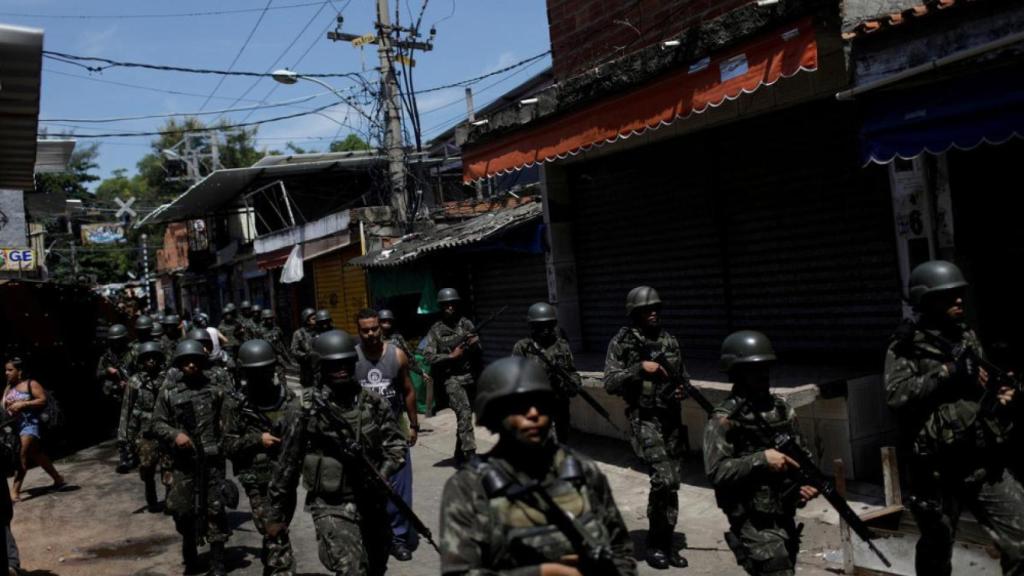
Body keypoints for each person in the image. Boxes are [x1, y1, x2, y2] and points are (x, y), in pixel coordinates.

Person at [885, 260, 1024, 576]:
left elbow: (982, 384)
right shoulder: (907, 345)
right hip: (935, 472)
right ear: (926, 300)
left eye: (959, 294)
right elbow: (896, 396)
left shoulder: (966, 337)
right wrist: (946, 373)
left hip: (982, 463)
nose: (958, 301)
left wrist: (1002, 397)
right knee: (936, 550)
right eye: (948, 296)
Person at [440, 356, 637, 576]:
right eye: (519, 405)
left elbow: (621, 551)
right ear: (494, 414)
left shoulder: (581, 470)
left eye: (540, 404)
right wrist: (544, 572)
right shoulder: (469, 488)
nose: (533, 413)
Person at [266, 329, 406, 576]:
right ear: (322, 368)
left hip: (371, 500)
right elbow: (287, 466)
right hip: (331, 505)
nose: (341, 369)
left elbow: (396, 445)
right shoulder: (304, 411)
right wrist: (276, 515)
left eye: (345, 363)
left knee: (377, 566)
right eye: (333, 365)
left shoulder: (373, 402)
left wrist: (382, 474)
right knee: (352, 570)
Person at [704, 331, 820, 576]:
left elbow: (802, 457)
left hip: (783, 509)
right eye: (753, 370)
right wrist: (761, 459)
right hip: (750, 517)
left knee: (786, 563)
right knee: (778, 569)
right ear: (736, 373)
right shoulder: (724, 418)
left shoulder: (781, 410)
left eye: (765, 368)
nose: (762, 376)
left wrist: (804, 485)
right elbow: (716, 472)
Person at [603, 286, 689, 569]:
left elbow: (683, 379)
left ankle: (666, 542)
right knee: (663, 478)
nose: (653, 313)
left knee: (673, 483)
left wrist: (681, 391)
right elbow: (610, 382)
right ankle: (654, 542)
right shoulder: (622, 342)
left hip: (672, 420)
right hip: (645, 418)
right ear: (635, 313)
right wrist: (639, 369)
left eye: (656, 308)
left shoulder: (670, 340)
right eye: (646, 310)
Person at [152, 340, 231, 576]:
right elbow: (156, 423)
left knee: (215, 509)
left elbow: (229, 424)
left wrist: (222, 445)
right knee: (182, 511)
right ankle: (190, 555)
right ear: (179, 364)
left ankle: (218, 562)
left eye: (195, 361)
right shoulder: (169, 392)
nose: (191, 365)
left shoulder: (216, 390)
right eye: (186, 362)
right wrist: (175, 435)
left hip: (212, 461)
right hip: (183, 462)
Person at [223, 340, 297, 575]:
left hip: (287, 475)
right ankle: (281, 570)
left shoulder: (287, 397)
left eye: (266, 370)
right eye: (255, 372)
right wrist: (258, 439)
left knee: (279, 526)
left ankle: (272, 560)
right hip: (257, 479)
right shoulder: (235, 404)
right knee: (275, 529)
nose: (262, 376)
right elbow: (227, 444)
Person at [354, 309, 419, 561]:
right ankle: (373, 535)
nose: (370, 333)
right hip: (364, 439)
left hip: (394, 437)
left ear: (381, 328)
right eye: (365, 329)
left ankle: (399, 538)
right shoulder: (353, 359)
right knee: (368, 491)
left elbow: (408, 391)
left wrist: (413, 425)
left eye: (374, 328)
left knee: (400, 490)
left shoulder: (397, 355)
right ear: (358, 331)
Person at [423, 288, 481, 465]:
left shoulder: (467, 325)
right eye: (445, 305)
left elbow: (479, 351)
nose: (449, 307)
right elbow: (428, 356)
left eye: (452, 304)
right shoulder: (436, 330)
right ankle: (470, 455)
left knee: (465, 417)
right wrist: (450, 356)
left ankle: (459, 452)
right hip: (452, 379)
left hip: (470, 376)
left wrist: (474, 345)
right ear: (441, 307)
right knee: (463, 414)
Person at [512, 302, 581, 442]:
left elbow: (572, 371)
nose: (546, 329)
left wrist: (573, 383)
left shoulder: (562, 346)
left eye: (549, 324)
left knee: (561, 442)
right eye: (540, 325)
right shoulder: (523, 347)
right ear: (532, 326)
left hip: (559, 404)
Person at [2, 358, 64, 502]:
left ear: (20, 371)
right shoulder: (8, 388)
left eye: (10, 370)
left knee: (21, 455)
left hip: (30, 425)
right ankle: (58, 479)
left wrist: (23, 404)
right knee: (36, 453)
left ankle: (14, 492)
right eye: (5, 370)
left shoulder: (31, 384)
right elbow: (3, 408)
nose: (6, 373)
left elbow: (43, 400)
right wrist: (9, 404)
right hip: (14, 428)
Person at [120, 341, 167, 513]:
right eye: (147, 358)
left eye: (154, 358)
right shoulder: (135, 382)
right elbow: (126, 409)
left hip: (166, 430)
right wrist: (123, 438)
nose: (151, 362)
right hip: (145, 432)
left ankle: (171, 499)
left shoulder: (167, 379)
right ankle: (151, 496)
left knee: (168, 467)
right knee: (147, 467)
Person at [379, 309, 433, 407]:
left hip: (398, 376)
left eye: (389, 320)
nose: (387, 323)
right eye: (384, 320)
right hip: (381, 378)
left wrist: (421, 372)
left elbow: (408, 357)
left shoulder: (397, 337)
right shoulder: (375, 339)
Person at [258, 309, 291, 385]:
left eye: (271, 318)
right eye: (267, 319)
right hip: (266, 357)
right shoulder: (259, 331)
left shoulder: (277, 329)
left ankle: (284, 391)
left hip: (277, 356)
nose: (269, 320)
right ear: (263, 319)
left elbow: (282, 342)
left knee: (281, 375)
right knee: (268, 377)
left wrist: (286, 355)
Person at [290, 308, 317, 388]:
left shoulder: (319, 331)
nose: (316, 320)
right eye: (313, 319)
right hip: (307, 369)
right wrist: (305, 355)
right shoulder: (299, 333)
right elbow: (293, 350)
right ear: (307, 321)